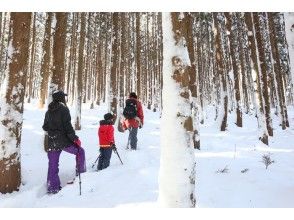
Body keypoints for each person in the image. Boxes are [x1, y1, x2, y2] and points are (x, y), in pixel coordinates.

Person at [42, 90, 86, 194]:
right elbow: (68, 127)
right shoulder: (64, 109)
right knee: (80, 151)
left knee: (52, 165)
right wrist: (75, 138)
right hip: (63, 141)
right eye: (64, 97)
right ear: (61, 98)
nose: (65, 99)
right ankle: (82, 174)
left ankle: (52, 187)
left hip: (51, 141)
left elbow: (45, 126)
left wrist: (53, 129)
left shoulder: (48, 111)